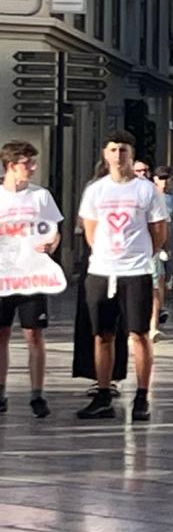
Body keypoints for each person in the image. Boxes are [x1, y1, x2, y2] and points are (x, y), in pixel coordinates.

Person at [76, 131, 168, 420]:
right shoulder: (96, 191)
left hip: (136, 270)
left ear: (132, 153)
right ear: (105, 154)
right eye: (113, 149)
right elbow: (91, 232)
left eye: (124, 150)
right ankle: (103, 392)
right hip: (102, 270)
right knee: (102, 334)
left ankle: (142, 396)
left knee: (139, 334)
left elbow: (159, 233)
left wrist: (139, 255)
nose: (118, 155)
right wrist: (108, 254)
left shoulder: (146, 190)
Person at [0, 141, 62, 418]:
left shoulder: (41, 196)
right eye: (28, 163)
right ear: (12, 166)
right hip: (3, 275)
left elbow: (54, 230)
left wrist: (51, 245)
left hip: (32, 275)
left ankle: (37, 394)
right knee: (1, 334)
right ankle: (0, 391)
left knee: (34, 334)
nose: (33, 168)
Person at [151, 166, 173, 335]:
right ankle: (156, 313)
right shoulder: (151, 196)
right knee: (158, 278)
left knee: (167, 275)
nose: (163, 181)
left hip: (172, 241)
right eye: (160, 178)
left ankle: (159, 308)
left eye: (166, 178)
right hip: (155, 246)